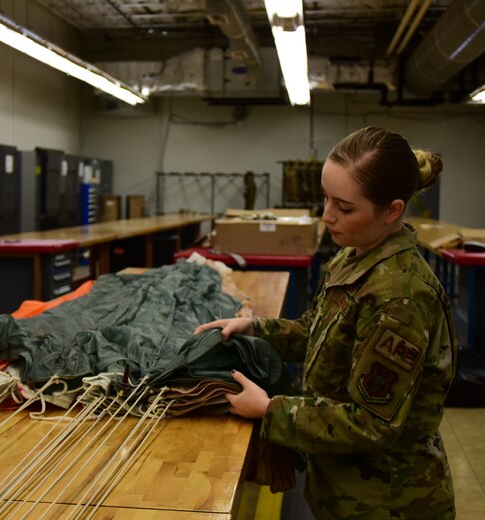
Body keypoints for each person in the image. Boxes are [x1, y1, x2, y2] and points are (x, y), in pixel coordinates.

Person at [196, 126, 457, 519]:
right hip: (343, 484)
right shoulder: (356, 254)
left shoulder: (400, 298)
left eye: (345, 207)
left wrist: (270, 410)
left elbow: (371, 423)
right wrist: (256, 328)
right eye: (325, 198)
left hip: (387, 500)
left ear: (393, 210)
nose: (327, 216)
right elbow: (321, 332)